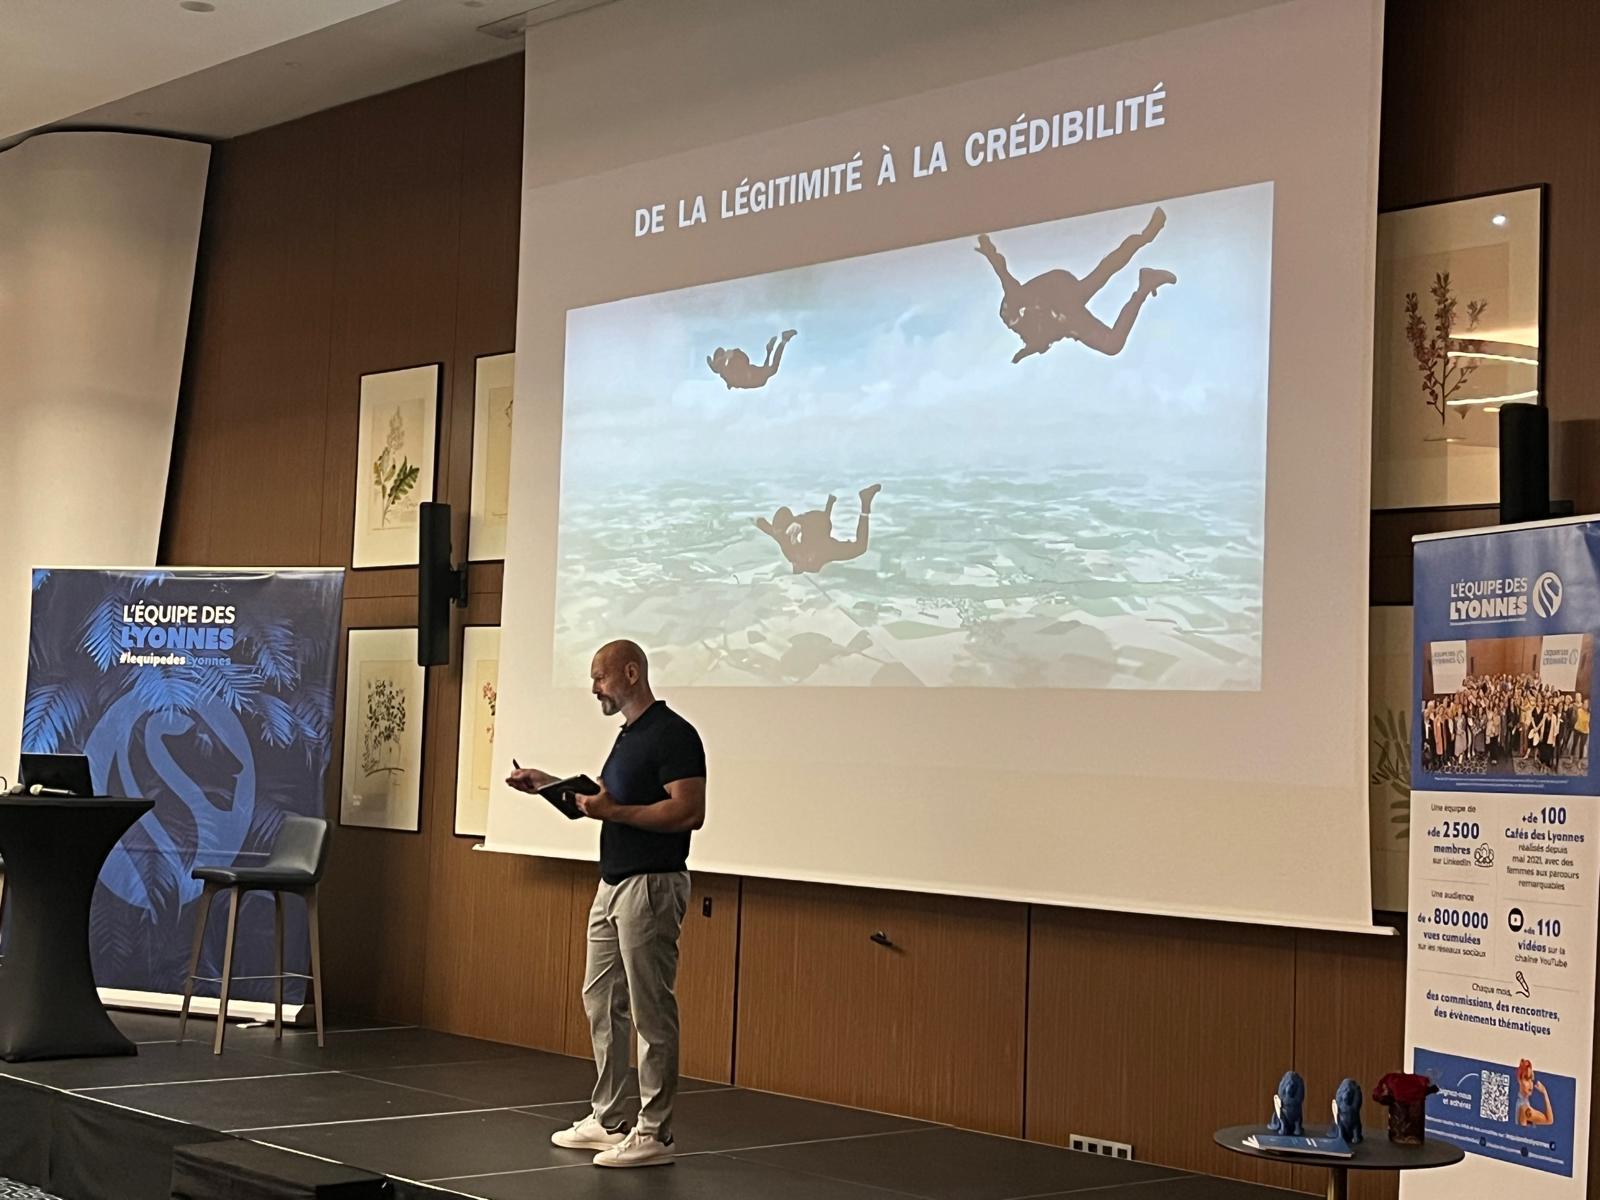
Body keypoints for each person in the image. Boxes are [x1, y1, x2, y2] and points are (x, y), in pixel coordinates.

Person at [506, 640, 706, 1169]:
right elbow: (605, 800)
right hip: (612, 883)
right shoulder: (628, 736)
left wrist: (614, 813)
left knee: (650, 1009)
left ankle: (655, 1132)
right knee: (601, 1001)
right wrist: (548, 785)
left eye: (600, 677)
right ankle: (610, 1117)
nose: (594, 687)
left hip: (651, 884)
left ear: (631, 673)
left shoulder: (674, 734)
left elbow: (689, 812)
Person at [975, 207, 1177, 364]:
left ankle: (1145, 238)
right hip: (1062, 311)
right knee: (1112, 345)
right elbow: (1040, 342)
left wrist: (991, 255)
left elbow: (1007, 281)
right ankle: (1145, 283)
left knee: (1098, 277)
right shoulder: (1058, 328)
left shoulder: (1015, 312)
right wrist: (1024, 354)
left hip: (1054, 288)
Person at [755, 483, 881, 574]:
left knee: (858, 546)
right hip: (818, 546)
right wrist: (757, 522)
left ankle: (864, 501)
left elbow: (818, 518)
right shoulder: (782, 538)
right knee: (825, 526)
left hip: (819, 544)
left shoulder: (813, 544)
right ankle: (844, 504)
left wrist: (799, 522)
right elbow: (767, 528)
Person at [706, 329, 797, 389]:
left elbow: (742, 359)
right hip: (748, 375)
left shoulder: (726, 368)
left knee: (769, 371)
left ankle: (777, 344)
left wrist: (730, 355)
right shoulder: (723, 370)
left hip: (747, 373)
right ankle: (777, 344)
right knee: (770, 371)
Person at [1515, 1059, 1555, 1126]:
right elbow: (1549, 1120)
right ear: (1519, 1080)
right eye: (1526, 1079)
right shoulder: (1525, 1109)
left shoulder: (1521, 1102)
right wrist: (1544, 1092)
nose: (1530, 1084)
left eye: (1531, 1080)